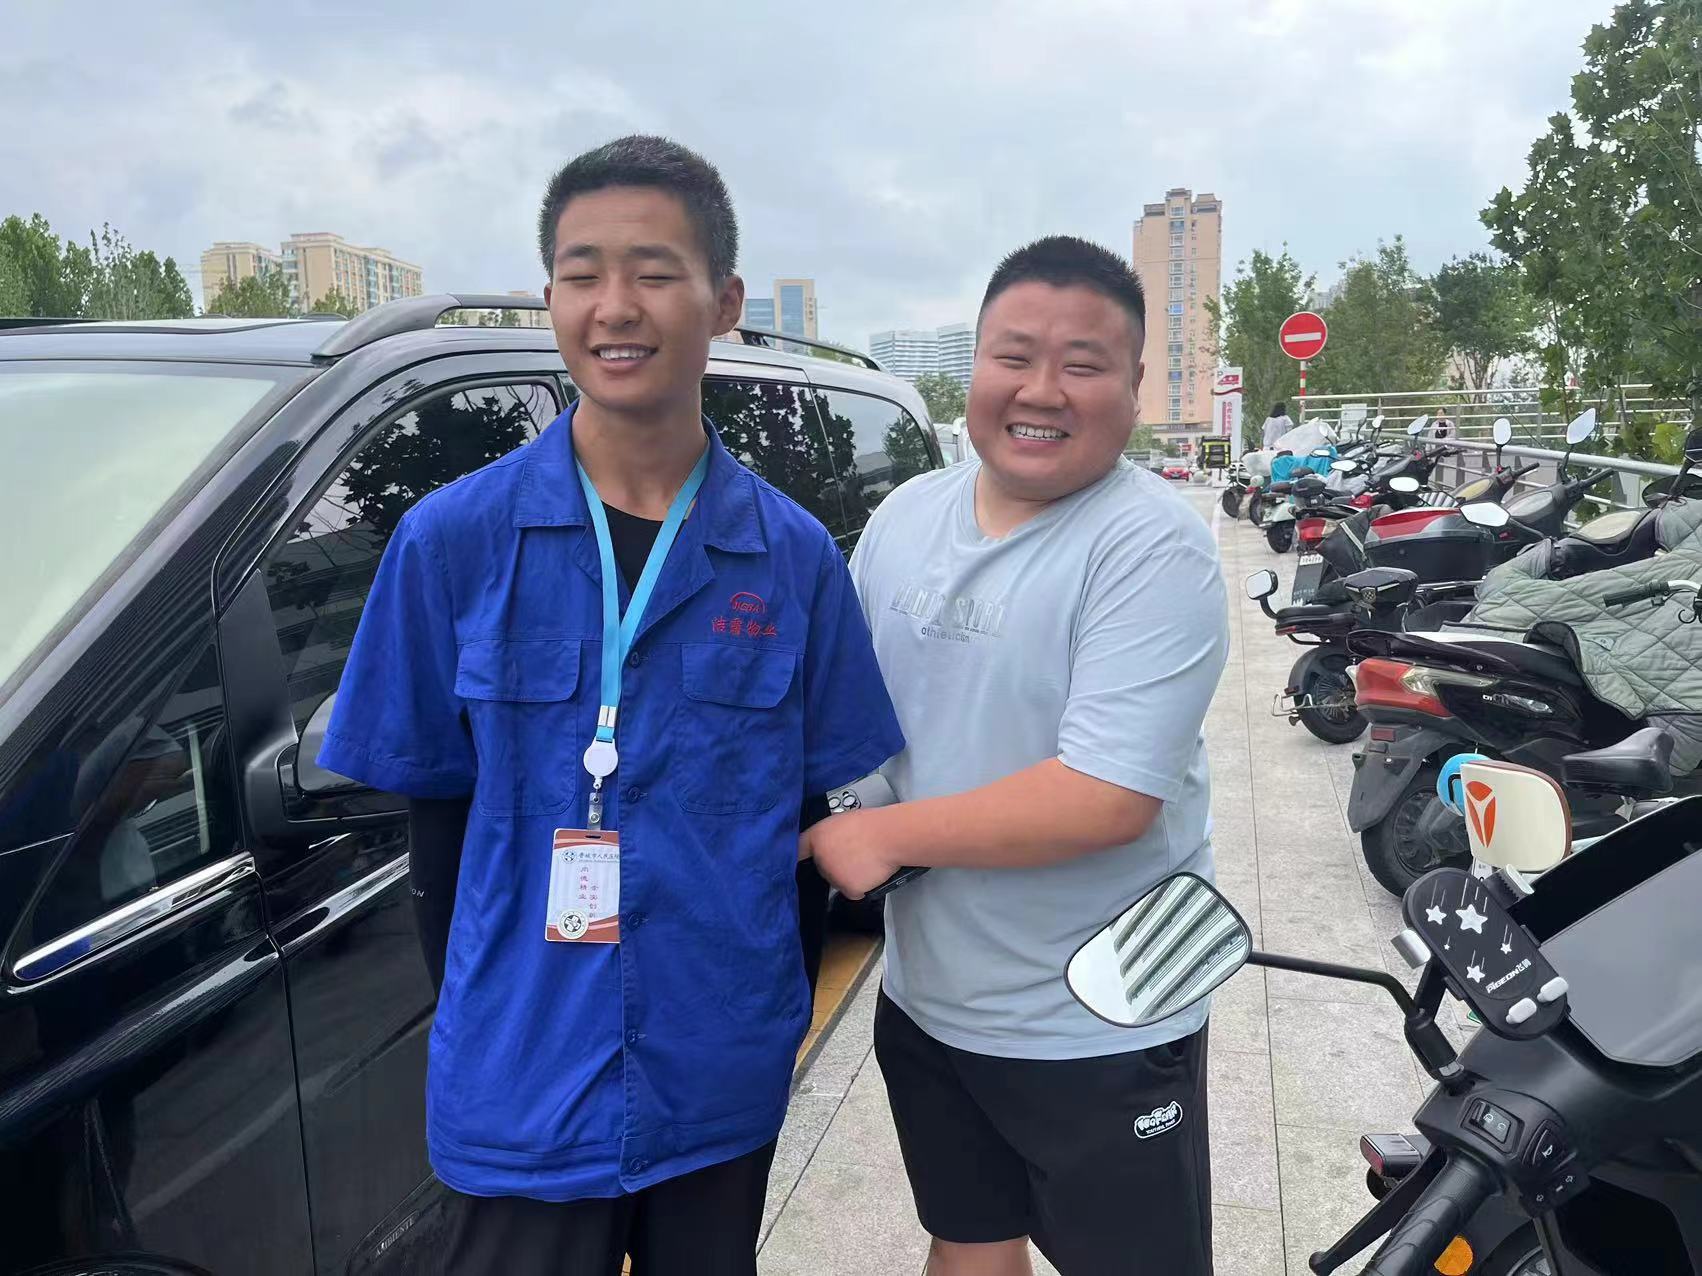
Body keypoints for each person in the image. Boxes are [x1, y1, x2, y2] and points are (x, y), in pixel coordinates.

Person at [319, 134, 903, 1276]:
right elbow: (433, 827)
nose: (614, 306)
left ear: (723, 302)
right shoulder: (451, 543)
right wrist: (487, 1018)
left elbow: (803, 822)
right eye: (581, 274)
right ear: (551, 298)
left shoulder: (790, 559)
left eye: (653, 271)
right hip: (521, 1084)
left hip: (718, 1076)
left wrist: (770, 1023)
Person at [804, 236, 1229, 1276]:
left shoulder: (1151, 545)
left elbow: (1107, 794)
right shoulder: (907, 517)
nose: (1042, 391)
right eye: (1014, 356)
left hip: (1106, 1015)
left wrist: (884, 836)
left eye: (1083, 365)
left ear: (1133, 386)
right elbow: (849, 714)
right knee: (968, 1241)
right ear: (975, 368)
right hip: (933, 993)